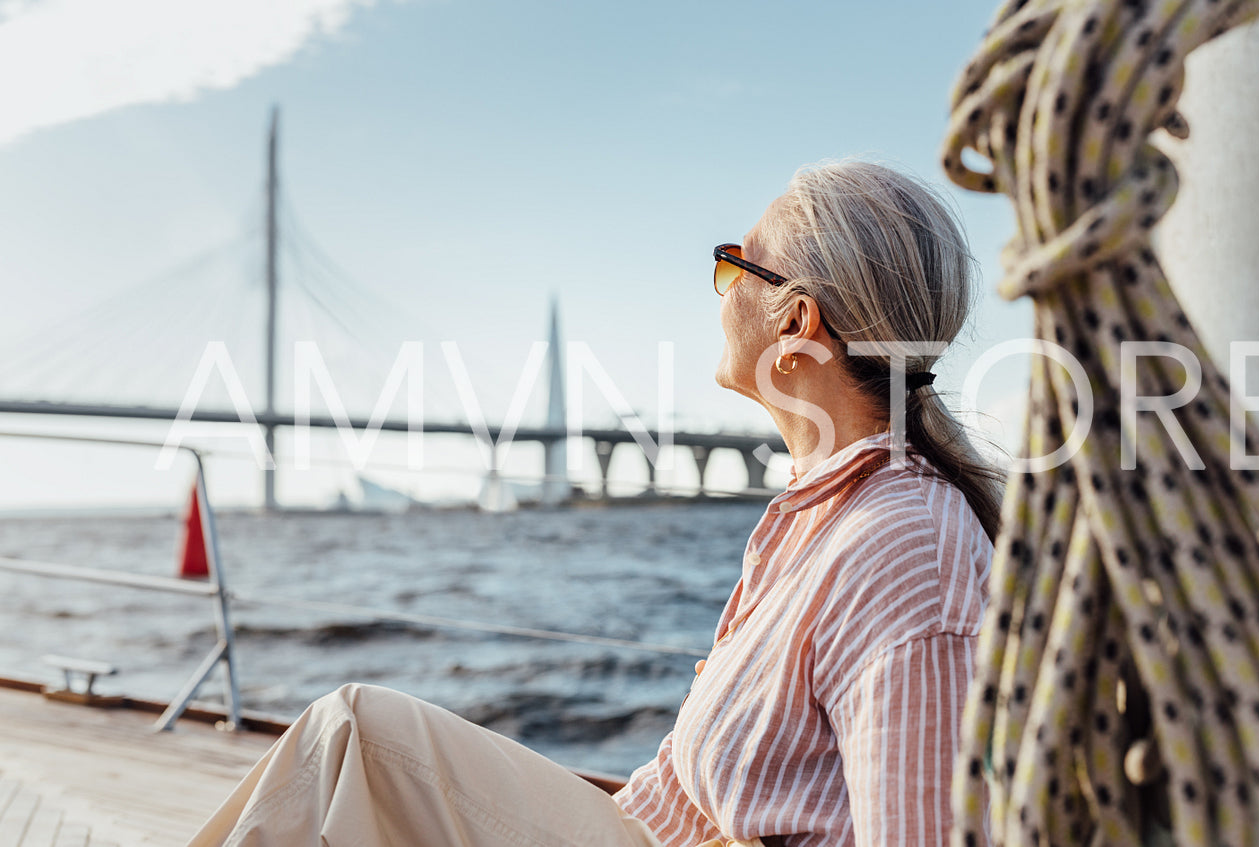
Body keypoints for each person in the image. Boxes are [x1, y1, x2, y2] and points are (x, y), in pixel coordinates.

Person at [188, 160, 1004, 847]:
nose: (716, 290)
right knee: (353, 744)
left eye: (732, 265)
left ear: (795, 321)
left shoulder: (905, 542)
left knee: (355, 734)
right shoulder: (822, 513)